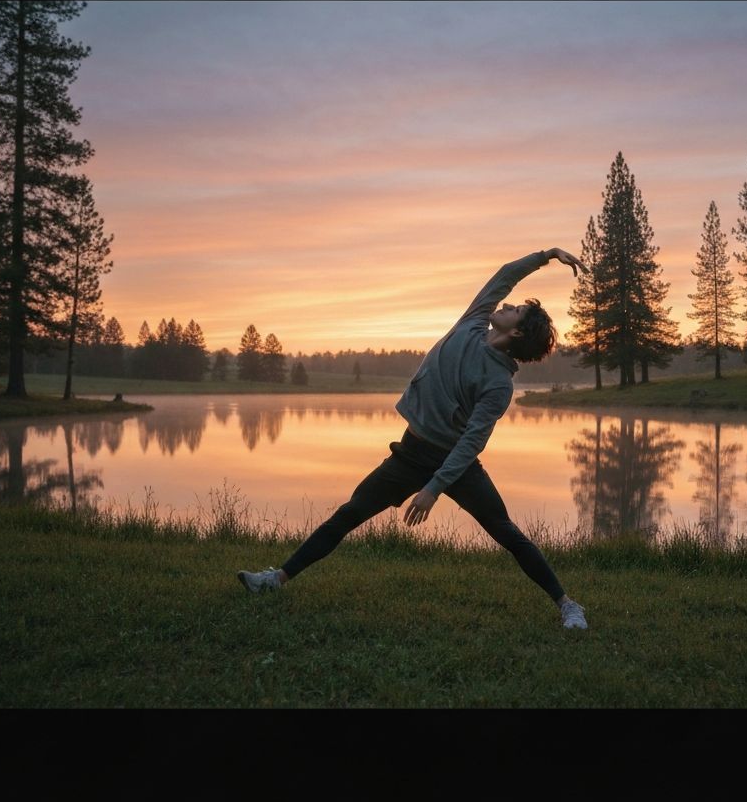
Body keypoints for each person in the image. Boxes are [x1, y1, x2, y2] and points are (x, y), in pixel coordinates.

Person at [237, 247, 589, 630]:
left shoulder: (499, 385)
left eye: (515, 310)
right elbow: (504, 275)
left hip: (455, 465)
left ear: (517, 332)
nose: (506, 304)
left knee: (505, 532)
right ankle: (275, 579)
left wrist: (434, 488)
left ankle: (568, 605)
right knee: (351, 512)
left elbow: (471, 441)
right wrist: (547, 255)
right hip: (410, 452)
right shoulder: (472, 323)